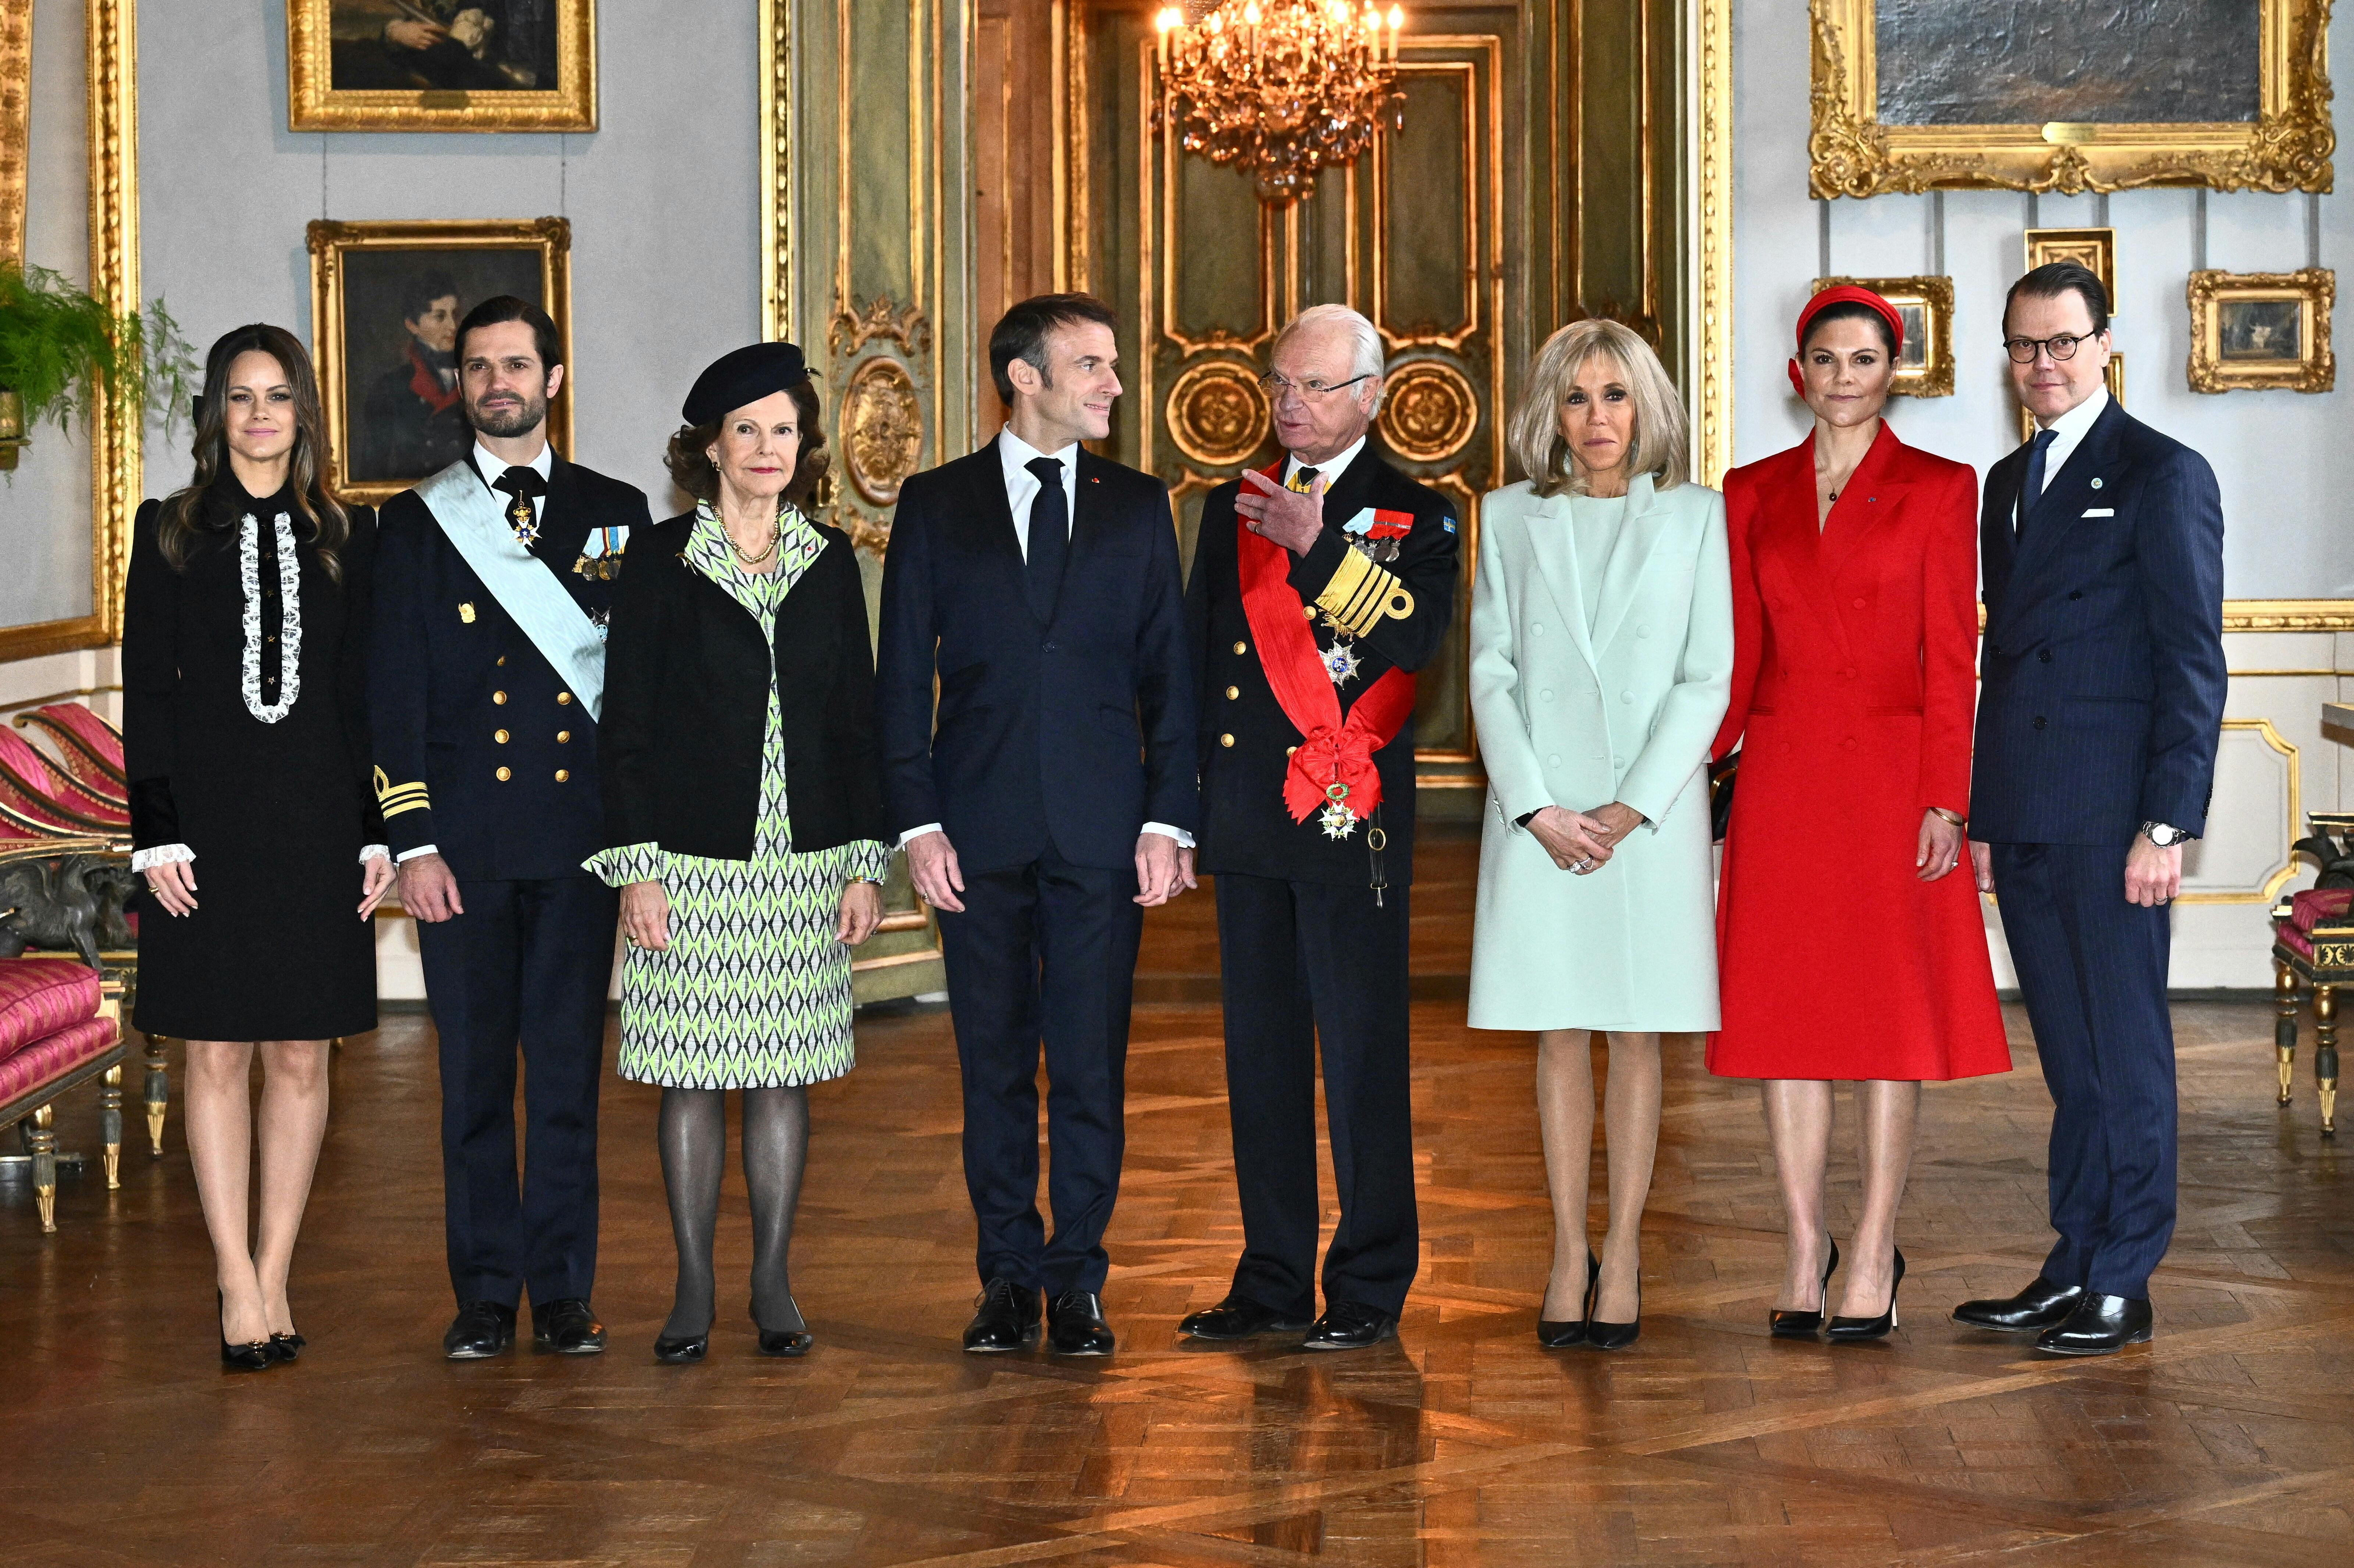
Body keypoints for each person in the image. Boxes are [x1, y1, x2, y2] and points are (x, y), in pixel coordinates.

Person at [875, 294, 1197, 1357]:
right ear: (1024, 377)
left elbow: (1171, 681)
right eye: (1091, 365)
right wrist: (915, 824)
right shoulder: (936, 502)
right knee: (996, 1064)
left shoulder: (1140, 505)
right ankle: (1007, 1277)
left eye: (1113, 364)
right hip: (975, 835)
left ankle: (1080, 1282)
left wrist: (1168, 820)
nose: (1112, 383)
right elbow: (900, 683)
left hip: (1106, 836)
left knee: (1093, 1066)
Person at [1708, 288, 2010, 1344]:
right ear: (1800, 373)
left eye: (1866, 358)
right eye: (1827, 359)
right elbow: (1736, 660)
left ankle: (1874, 1247)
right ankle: (1804, 1245)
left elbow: (1951, 658)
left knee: (1891, 1024)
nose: (1845, 376)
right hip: (1785, 778)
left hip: (1893, 783)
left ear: (1895, 371)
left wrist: (1946, 795)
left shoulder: (1940, 488)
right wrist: (1680, 778)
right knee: (1787, 1025)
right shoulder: (1747, 493)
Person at [592, 343, 889, 1363]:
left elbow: (858, 721)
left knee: (781, 1077)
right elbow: (623, 725)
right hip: (691, 864)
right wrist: (635, 867)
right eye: (748, 430)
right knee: (690, 1077)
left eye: (785, 429)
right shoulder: (660, 562)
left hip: (804, 863)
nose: (769, 447)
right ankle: (691, 1285)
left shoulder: (830, 560)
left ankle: (772, 1282)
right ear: (711, 446)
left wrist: (863, 860)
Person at [370, 295, 651, 1359]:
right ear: (461, 385)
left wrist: (638, 848)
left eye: (519, 365)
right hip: (467, 854)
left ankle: (565, 1292)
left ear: (555, 380)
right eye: (480, 366)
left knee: (569, 1080)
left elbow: (633, 700)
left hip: (580, 844)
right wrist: (414, 844)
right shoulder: (414, 522)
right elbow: (389, 698)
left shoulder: (618, 510)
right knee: (477, 1082)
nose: (500, 382)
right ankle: (487, 1291)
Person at [1953, 263, 2225, 1356]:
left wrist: (2167, 823)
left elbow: (2192, 661)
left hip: (2115, 818)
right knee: (2070, 1058)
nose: (2044, 364)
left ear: (2105, 343)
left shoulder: (2163, 472)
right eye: (2025, 346)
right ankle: (2072, 1261)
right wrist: (1983, 813)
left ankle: (2125, 1275)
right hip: (2026, 811)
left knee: (2126, 1053)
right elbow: (2008, 666)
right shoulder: (2007, 479)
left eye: (2063, 342)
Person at [1178, 303, 1459, 1352]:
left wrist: (1320, 551)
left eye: (1314, 388)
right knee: (1260, 1061)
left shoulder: (1417, 514)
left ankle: (1372, 1282)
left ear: (1370, 398)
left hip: (1352, 822)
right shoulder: (1232, 507)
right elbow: (1204, 666)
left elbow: (1417, 637)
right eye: (1281, 387)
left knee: (1361, 1058)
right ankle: (1272, 1279)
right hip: (1253, 819)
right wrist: (1187, 809)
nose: (1290, 407)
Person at [122, 324, 393, 1371]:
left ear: (303, 412)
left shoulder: (350, 536)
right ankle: (232, 1276)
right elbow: (148, 692)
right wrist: (158, 836)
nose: (261, 414)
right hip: (207, 832)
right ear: (215, 414)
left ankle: (277, 1269)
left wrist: (377, 833)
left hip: (319, 827)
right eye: (241, 396)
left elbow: (361, 700)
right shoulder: (167, 531)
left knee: (298, 1054)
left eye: (278, 395)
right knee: (217, 1052)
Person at [1464, 318, 1731, 1351]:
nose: (1597, 418)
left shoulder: (1697, 519)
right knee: (1559, 1029)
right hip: (1540, 821)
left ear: (1646, 406)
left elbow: (1706, 677)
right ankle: (1566, 1249)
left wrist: (1629, 808)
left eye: (1616, 395)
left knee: (1637, 1029)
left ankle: (1623, 1254)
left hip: (1647, 821)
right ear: (1551, 412)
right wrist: (1538, 807)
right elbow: (1491, 674)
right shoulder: (1506, 516)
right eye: (1576, 398)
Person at [358, 269, 468, 484]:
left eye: (455, 314)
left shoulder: (477, 378)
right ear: (412, 325)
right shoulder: (389, 389)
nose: (453, 326)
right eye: (440, 317)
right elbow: (373, 471)